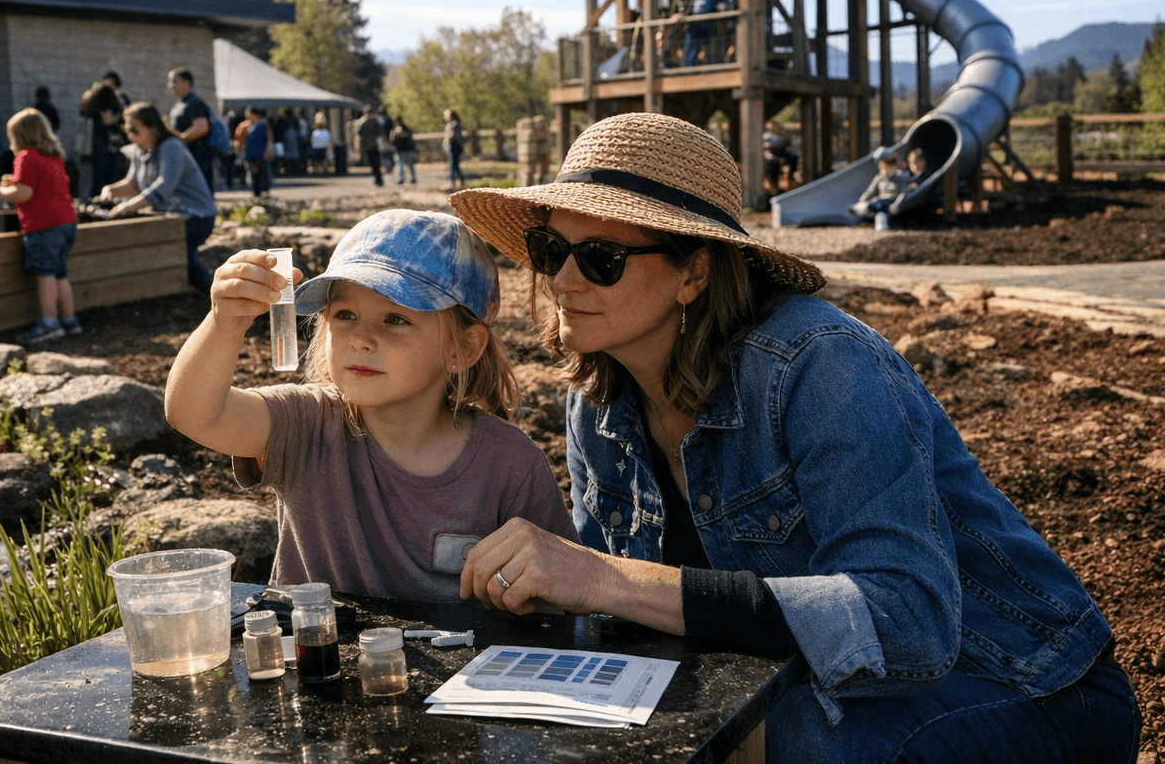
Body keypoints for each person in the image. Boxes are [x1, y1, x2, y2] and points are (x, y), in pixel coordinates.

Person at [448, 112, 1138, 764]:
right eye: (550, 250)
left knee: (792, 738)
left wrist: (606, 578)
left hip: (1025, 686)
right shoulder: (597, 400)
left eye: (600, 258)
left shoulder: (820, 364)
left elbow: (909, 621)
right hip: (816, 695)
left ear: (694, 272)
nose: (562, 280)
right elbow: (620, 620)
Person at [164, 209, 577, 601]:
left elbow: (556, 587)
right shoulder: (305, 424)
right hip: (316, 665)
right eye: (344, 314)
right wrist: (224, 323)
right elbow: (194, 414)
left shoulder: (511, 465)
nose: (361, 338)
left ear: (462, 348)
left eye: (395, 319)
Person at [0, 108, 80, 345]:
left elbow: (24, 193)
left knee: (45, 273)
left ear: (20, 136)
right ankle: (70, 321)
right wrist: (13, 182)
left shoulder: (26, 156)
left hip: (44, 225)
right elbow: (36, 185)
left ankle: (49, 324)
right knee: (59, 274)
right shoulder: (53, 157)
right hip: (66, 222)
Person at [102, 102, 217, 293]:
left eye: (134, 130)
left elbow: (164, 185)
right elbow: (134, 184)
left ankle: (219, 294)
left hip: (197, 215)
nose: (129, 135)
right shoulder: (140, 151)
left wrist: (128, 206)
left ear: (152, 127)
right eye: (126, 129)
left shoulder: (171, 146)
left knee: (183, 258)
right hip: (173, 215)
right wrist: (110, 190)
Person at [166, 67, 216, 193]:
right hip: (186, 160)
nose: (170, 85)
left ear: (187, 82)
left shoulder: (195, 103)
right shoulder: (181, 104)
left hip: (198, 160)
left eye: (174, 81)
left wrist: (181, 139)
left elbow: (202, 127)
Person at [80, 71, 125, 198]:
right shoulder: (116, 107)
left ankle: (95, 199)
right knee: (111, 177)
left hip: (95, 145)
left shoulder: (92, 106)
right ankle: (109, 200)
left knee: (97, 177)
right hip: (112, 146)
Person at [849, 151, 909, 223]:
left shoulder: (900, 179)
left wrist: (896, 204)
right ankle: (860, 209)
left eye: (890, 168)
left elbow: (903, 193)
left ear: (895, 167)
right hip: (879, 200)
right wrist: (864, 198)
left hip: (890, 201)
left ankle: (865, 209)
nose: (886, 171)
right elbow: (871, 191)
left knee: (878, 206)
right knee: (878, 208)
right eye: (884, 168)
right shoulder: (879, 178)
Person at [676, 0, 717, 66]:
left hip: (693, 24)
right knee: (696, 47)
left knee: (690, 47)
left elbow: (688, 11)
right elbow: (718, 9)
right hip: (702, 25)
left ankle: (687, 68)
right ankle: (693, 67)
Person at [242, 107, 272, 197]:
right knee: (254, 174)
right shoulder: (249, 126)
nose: (247, 117)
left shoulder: (263, 125)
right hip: (251, 155)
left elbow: (269, 140)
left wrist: (268, 151)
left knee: (262, 174)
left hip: (260, 154)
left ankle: (264, 191)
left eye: (249, 115)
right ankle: (256, 192)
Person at [355, 105, 384, 186]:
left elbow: (378, 134)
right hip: (369, 146)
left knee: (375, 164)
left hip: (372, 146)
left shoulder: (370, 121)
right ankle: (378, 179)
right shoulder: (366, 122)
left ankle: (378, 179)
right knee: (374, 164)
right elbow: (359, 136)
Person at [389, 115, 417, 184]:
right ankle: (400, 178)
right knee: (400, 165)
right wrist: (395, 135)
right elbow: (391, 140)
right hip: (399, 149)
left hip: (407, 149)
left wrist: (402, 134)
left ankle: (412, 177)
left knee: (409, 164)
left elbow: (410, 134)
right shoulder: (393, 129)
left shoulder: (405, 128)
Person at [442, 108, 465, 190]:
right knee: (453, 164)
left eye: (445, 115)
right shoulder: (451, 124)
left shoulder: (455, 124)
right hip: (451, 147)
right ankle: (459, 182)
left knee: (453, 164)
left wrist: (446, 140)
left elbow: (451, 136)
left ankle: (453, 182)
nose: (444, 117)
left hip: (454, 146)